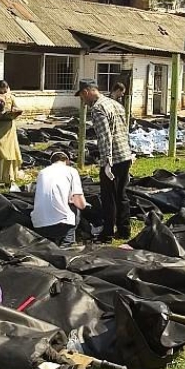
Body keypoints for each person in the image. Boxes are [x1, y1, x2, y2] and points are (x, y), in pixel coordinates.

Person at [76, 79, 133, 242]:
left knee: (108, 197)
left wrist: (107, 161)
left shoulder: (98, 108)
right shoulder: (114, 104)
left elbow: (105, 136)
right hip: (125, 155)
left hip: (113, 159)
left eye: (81, 97)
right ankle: (124, 230)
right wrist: (130, 152)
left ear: (86, 92)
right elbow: (124, 129)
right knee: (121, 195)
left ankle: (107, 234)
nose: (83, 101)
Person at [31, 151, 88, 247]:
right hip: (61, 225)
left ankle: (51, 242)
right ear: (67, 161)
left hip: (39, 225)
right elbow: (80, 204)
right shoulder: (71, 171)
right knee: (76, 209)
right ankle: (67, 242)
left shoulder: (42, 173)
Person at [0, 80, 23, 190]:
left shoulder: (11, 97)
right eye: (0, 92)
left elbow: (16, 108)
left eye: (5, 91)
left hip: (9, 130)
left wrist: (15, 111)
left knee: (10, 155)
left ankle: (9, 179)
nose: (3, 93)